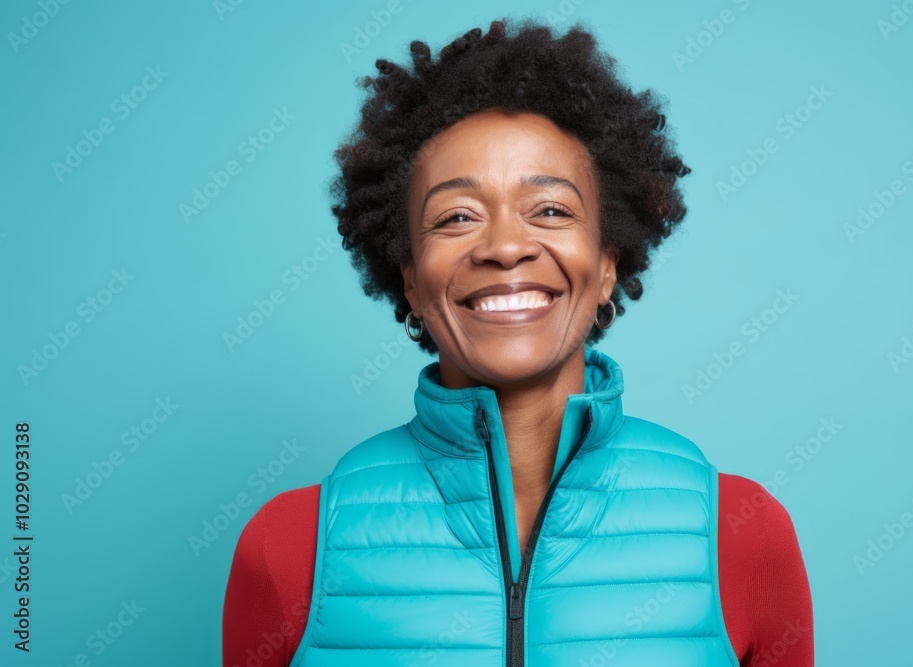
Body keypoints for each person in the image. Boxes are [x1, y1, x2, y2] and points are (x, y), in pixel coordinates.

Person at [223, 16, 813, 666]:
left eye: (552, 210)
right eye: (457, 217)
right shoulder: (288, 547)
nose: (505, 246)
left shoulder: (744, 533)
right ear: (412, 278)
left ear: (607, 261)